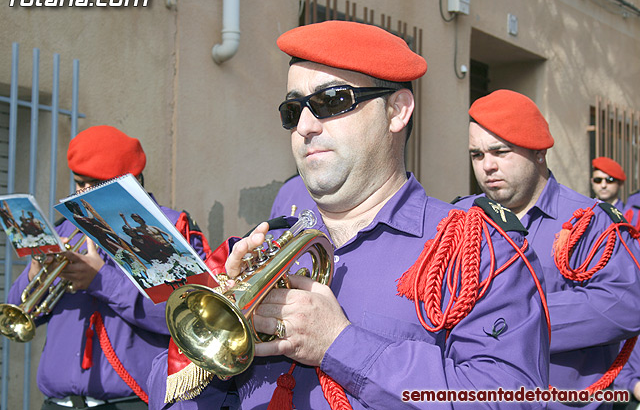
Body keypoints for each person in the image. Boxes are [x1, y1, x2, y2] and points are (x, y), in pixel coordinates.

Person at [147, 21, 550, 409]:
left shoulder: (478, 250)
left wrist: (340, 344)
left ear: (396, 111)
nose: (305, 125)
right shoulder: (263, 246)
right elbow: (167, 397)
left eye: (330, 101)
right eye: (293, 110)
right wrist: (213, 349)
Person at [454, 90, 640, 410]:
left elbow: (627, 304)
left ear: (539, 152)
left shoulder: (590, 222)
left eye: (500, 152)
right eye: (477, 155)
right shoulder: (460, 218)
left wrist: (509, 320)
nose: (487, 166)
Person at [6, 125, 207, 410]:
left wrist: (101, 279)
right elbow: (19, 310)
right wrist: (36, 270)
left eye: (95, 185)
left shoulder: (166, 230)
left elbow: (185, 319)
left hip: (131, 401)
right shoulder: (64, 228)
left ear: (132, 181)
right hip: (57, 403)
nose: (83, 195)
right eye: (79, 183)